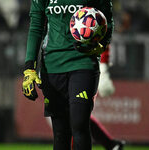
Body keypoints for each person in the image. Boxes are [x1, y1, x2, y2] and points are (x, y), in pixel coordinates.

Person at [22, 0, 114, 150]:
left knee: (79, 124)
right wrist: (29, 68)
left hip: (83, 62)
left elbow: (107, 21)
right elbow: (36, 26)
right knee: (60, 132)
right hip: (52, 65)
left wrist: (102, 44)